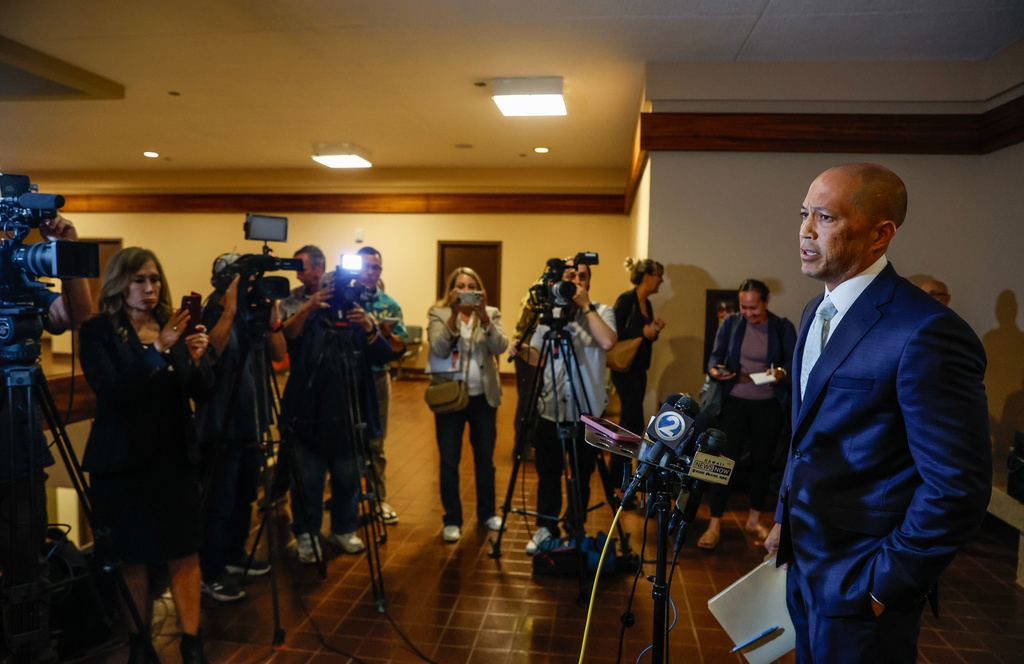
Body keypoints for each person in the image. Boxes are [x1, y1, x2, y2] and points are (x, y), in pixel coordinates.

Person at [765, 163, 991, 663]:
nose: (804, 231)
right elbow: (805, 435)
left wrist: (884, 584)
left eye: (824, 217)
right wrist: (786, 516)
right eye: (804, 214)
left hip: (863, 580)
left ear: (880, 233)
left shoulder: (926, 331)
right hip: (804, 561)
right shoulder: (812, 311)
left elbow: (958, 488)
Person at [79, 247, 214, 664]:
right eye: (139, 279)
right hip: (123, 462)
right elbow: (115, 394)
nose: (150, 288)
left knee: (185, 551)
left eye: (154, 279)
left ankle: (192, 644)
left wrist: (196, 359)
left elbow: (201, 392)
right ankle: (141, 645)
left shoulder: (173, 324)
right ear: (120, 282)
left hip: (174, 458)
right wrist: (156, 352)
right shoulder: (98, 331)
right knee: (132, 556)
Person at [0, 214, 91, 663]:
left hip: (18, 450)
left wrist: (68, 252)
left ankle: (34, 648)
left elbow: (77, 315)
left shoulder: (15, 278)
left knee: (28, 556)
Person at [280, 249, 399, 563]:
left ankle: (344, 528)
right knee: (308, 479)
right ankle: (306, 535)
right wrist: (310, 307)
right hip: (309, 410)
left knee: (348, 476)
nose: (340, 297)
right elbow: (286, 339)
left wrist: (370, 328)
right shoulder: (306, 312)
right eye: (334, 290)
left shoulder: (359, 317)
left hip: (351, 410)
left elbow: (384, 356)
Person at [193, 256, 287, 602]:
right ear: (222, 282)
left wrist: (272, 319)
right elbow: (210, 354)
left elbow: (278, 355)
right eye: (243, 282)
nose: (250, 288)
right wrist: (231, 308)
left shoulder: (254, 315)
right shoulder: (210, 314)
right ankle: (211, 571)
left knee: (244, 497)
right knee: (218, 502)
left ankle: (234, 554)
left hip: (253, 418)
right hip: (219, 423)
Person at [517, 259, 617, 554]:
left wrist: (586, 306)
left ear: (588, 282)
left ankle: (576, 526)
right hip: (551, 410)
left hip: (587, 413)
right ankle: (546, 527)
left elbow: (608, 342)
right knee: (548, 475)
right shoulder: (550, 315)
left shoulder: (601, 312)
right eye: (571, 276)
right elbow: (541, 357)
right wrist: (524, 351)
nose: (576, 281)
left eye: (582, 277)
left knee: (581, 476)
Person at [697, 279, 795, 549]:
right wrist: (716, 370)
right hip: (734, 403)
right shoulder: (730, 323)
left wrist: (781, 372)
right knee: (723, 464)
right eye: (744, 307)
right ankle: (714, 523)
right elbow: (715, 357)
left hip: (768, 404)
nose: (749, 313)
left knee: (763, 463)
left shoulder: (781, 326)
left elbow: (792, 361)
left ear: (765, 302)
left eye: (754, 307)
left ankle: (754, 519)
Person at [427, 267, 509, 543]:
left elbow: (500, 347)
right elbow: (438, 349)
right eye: (459, 286)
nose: (465, 290)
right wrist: (453, 315)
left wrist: (484, 316)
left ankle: (487, 513)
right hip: (450, 397)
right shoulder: (438, 313)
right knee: (449, 460)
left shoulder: (491, 312)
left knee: (485, 459)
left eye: (470, 285)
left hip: (484, 397)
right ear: (451, 290)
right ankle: (452, 519)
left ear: (480, 290)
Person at [354, 246, 407, 525]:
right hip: (347, 377)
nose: (370, 272)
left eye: (375, 267)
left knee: (375, 442)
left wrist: (384, 334)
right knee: (347, 443)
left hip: (376, 377)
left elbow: (400, 347)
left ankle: (378, 500)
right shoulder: (344, 299)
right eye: (365, 266)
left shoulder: (390, 304)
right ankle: (346, 501)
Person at [609, 258, 666, 500]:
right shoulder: (626, 300)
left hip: (638, 370)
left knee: (632, 425)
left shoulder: (647, 304)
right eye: (658, 275)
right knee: (628, 425)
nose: (661, 280)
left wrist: (652, 330)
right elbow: (613, 332)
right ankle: (618, 483)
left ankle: (622, 481)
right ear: (646, 277)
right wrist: (642, 331)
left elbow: (641, 337)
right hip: (624, 371)